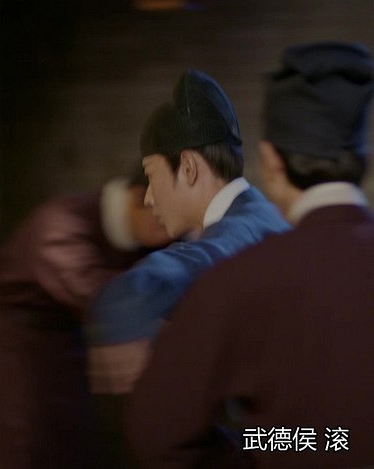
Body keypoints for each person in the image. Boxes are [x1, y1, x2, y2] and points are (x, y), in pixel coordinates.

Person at [126, 42, 374, 469]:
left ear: (271, 163)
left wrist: (259, 447)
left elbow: (157, 433)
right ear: (363, 159)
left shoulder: (235, 282)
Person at [86, 69, 290, 395]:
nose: (149, 198)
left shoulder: (244, 228)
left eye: (151, 176)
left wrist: (119, 306)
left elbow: (178, 270)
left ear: (188, 167)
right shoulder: (258, 214)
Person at [0, 169, 173, 469]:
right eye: (164, 221)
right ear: (141, 197)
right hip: (21, 357)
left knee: (66, 445)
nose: (171, 232)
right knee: (18, 444)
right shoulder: (58, 226)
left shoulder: (140, 237)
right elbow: (103, 298)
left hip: (67, 355)